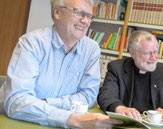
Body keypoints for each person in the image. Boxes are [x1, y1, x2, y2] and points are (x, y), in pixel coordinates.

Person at [0, 0, 121, 128]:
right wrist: (70, 118)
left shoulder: (91, 49)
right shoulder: (32, 43)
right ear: (57, 12)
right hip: (16, 122)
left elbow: (88, 96)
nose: (86, 21)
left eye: (89, 16)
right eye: (79, 13)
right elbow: (17, 102)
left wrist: (46, 103)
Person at [97, 30, 163, 121]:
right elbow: (106, 95)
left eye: (155, 52)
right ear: (133, 53)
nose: (154, 57)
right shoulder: (116, 68)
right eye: (147, 53)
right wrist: (119, 108)